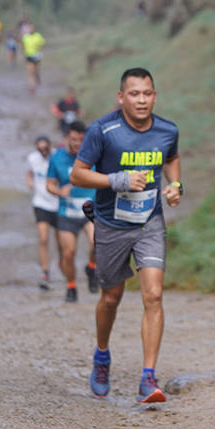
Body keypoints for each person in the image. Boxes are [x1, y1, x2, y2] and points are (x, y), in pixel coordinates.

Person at [70, 67, 182, 404]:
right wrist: (116, 180)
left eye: (147, 93)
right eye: (134, 94)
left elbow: (172, 159)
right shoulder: (103, 130)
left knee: (154, 296)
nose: (142, 100)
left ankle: (148, 377)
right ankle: (102, 355)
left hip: (150, 224)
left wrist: (175, 185)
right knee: (111, 298)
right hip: (111, 224)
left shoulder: (167, 130)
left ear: (155, 96)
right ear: (121, 98)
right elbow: (78, 175)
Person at [46, 121, 97, 303]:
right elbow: (49, 184)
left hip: (90, 211)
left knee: (98, 243)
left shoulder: (94, 156)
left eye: (81, 140)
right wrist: (59, 192)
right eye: (74, 139)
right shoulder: (57, 158)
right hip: (67, 213)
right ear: (67, 138)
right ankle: (71, 287)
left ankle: (91, 267)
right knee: (68, 253)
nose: (77, 144)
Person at [25, 135, 60, 290]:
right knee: (43, 239)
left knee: (62, 242)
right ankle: (45, 272)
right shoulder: (33, 158)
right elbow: (29, 172)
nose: (43, 152)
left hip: (58, 204)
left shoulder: (57, 157)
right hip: (40, 203)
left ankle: (62, 263)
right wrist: (30, 182)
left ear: (50, 147)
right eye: (40, 149)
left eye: (45, 149)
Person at [22, 23, 45, 95]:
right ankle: (32, 87)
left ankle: (38, 78)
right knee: (30, 73)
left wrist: (39, 51)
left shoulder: (38, 36)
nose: (31, 29)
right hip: (29, 57)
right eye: (29, 28)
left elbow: (42, 44)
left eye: (32, 28)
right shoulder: (25, 37)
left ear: (34, 29)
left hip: (37, 56)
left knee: (36, 71)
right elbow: (23, 46)